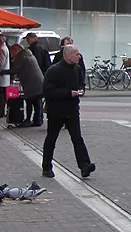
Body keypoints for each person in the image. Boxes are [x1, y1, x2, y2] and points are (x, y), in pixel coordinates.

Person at [41, 45, 94, 178]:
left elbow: (81, 82)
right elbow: (48, 90)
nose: (79, 57)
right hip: (56, 110)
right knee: (51, 139)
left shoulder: (77, 68)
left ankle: (85, 165)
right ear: (68, 56)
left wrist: (81, 90)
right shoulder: (54, 70)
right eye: (76, 54)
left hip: (72, 109)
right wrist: (68, 93)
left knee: (77, 138)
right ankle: (46, 167)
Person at [11, 42, 45, 127]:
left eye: (12, 52)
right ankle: (38, 120)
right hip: (38, 81)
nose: (12, 54)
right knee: (37, 101)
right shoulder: (28, 54)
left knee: (29, 101)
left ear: (16, 49)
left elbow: (15, 69)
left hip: (31, 83)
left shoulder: (21, 56)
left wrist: (2, 72)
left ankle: (28, 120)